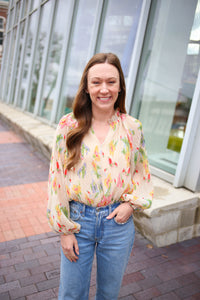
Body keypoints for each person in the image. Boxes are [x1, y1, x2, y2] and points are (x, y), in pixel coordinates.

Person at [47, 52, 153, 300]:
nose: (104, 89)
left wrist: (130, 204)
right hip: (77, 220)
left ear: (120, 86)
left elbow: (142, 173)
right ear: (86, 87)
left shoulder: (132, 127)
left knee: (108, 294)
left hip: (117, 224)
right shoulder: (68, 126)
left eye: (111, 82)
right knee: (71, 294)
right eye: (96, 82)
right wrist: (64, 230)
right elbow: (56, 180)